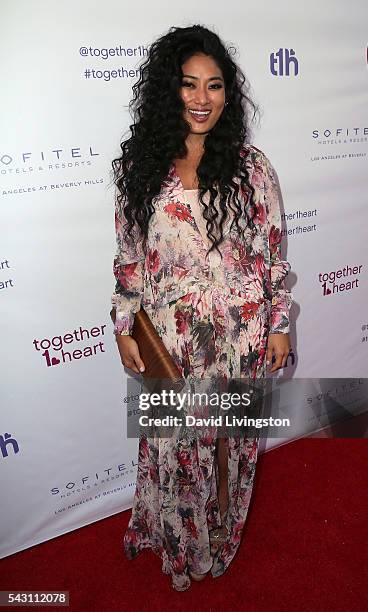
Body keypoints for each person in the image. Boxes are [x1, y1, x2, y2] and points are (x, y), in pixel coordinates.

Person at [110, 24, 293, 591]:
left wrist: (280, 326)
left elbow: (273, 254)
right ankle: (181, 536)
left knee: (229, 446)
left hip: (241, 335)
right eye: (189, 85)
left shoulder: (252, 168)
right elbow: (129, 263)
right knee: (176, 445)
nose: (201, 99)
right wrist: (124, 327)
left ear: (227, 95)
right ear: (170, 91)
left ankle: (220, 528)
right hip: (174, 340)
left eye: (214, 87)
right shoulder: (144, 172)